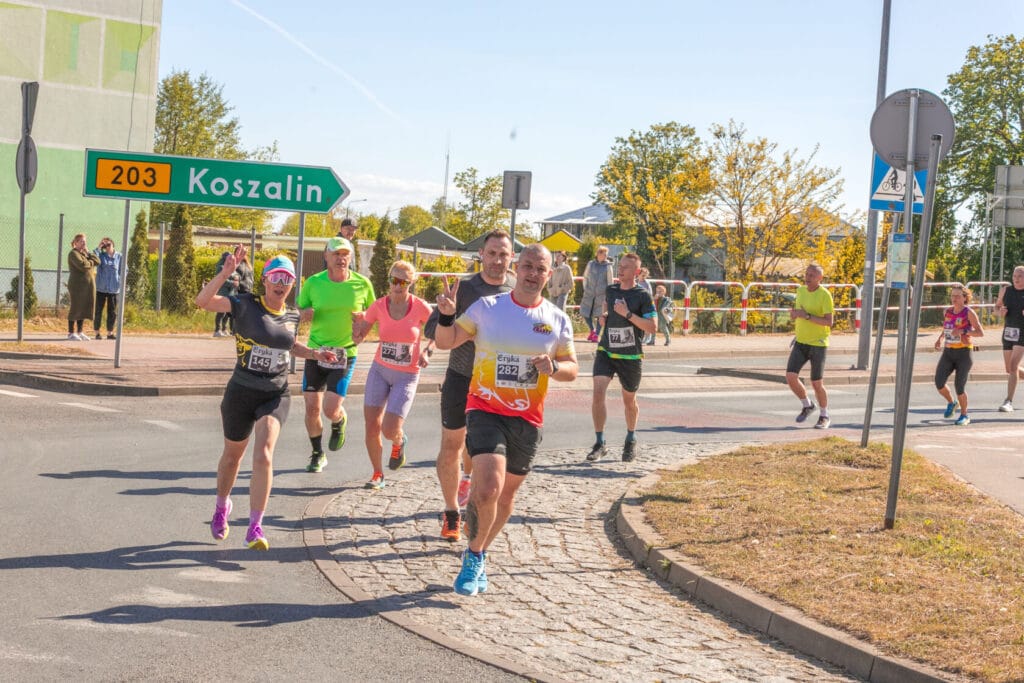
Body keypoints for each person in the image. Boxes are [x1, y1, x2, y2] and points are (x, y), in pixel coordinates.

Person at [434, 243, 578, 596]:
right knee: (486, 488)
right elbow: (446, 342)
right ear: (518, 267)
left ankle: (479, 550)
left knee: (505, 496)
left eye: (539, 269)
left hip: (528, 417)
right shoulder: (487, 308)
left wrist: (555, 367)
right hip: (484, 408)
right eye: (527, 266)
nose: (532, 273)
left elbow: (573, 369)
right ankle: (473, 556)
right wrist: (447, 315)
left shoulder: (557, 319)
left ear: (548, 274)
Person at [195, 247, 337, 550]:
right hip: (241, 390)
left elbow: (289, 345)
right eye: (275, 276)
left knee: (264, 454)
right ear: (264, 280)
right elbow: (202, 302)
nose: (281, 283)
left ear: (293, 284)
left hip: (275, 393)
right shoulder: (244, 305)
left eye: (287, 278)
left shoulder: (293, 314)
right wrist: (224, 272)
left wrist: (314, 353)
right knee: (232, 458)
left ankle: (255, 527)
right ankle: (222, 506)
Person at [424, 229, 515, 542]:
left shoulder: (518, 288)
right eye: (491, 253)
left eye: (503, 254)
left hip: (499, 383)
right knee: (452, 445)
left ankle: (472, 497)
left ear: (511, 257)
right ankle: (451, 512)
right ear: (481, 255)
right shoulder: (464, 287)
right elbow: (433, 330)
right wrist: (448, 314)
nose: (496, 260)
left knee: (483, 454)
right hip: (461, 377)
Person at [351, 260, 433, 489]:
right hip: (380, 370)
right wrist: (356, 326)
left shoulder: (420, 307)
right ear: (389, 280)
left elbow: (439, 328)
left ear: (411, 283)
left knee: (389, 429)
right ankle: (377, 474)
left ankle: (399, 440)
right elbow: (358, 337)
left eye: (403, 282)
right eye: (393, 280)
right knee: (371, 425)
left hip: (406, 376)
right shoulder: (378, 306)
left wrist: (427, 350)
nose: (397, 286)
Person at [296, 236, 375, 473]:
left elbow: (375, 314)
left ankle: (339, 420)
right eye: (336, 254)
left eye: (345, 255)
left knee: (330, 409)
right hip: (316, 351)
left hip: (344, 352)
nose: (341, 259)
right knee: (311, 407)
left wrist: (363, 322)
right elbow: (299, 309)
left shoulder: (362, 284)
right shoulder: (313, 283)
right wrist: (305, 313)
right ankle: (317, 453)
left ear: (350, 258)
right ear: (326, 256)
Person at [585, 253, 656, 463]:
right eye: (620, 266)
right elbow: (607, 311)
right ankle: (600, 443)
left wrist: (627, 314)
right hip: (606, 351)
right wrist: (604, 317)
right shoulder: (611, 290)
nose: (620, 270)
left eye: (626, 267)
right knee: (598, 393)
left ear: (636, 272)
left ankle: (631, 438)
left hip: (630, 356)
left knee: (629, 400)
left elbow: (652, 327)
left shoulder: (642, 295)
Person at [786, 264, 834, 429]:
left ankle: (824, 415)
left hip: (818, 344)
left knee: (816, 383)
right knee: (791, 377)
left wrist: (806, 316)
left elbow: (829, 322)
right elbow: (797, 312)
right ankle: (807, 405)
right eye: (807, 274)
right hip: (800, 341)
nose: (808, 277)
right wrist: (794, 315)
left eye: (812, 275)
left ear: (820, 278)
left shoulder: (825, 295)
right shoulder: (800, 291)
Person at [934, 285, 984, 426]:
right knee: (939, 382)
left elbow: (980, 333)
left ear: (964, 298)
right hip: (948, 352)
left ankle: (964, 415)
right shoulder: (947, 311)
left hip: (964, 353)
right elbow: (947, 328)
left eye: (958, 296)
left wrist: (963, 332)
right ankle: (952, 402)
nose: (954, 299)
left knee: (959, 386)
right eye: (952, 296)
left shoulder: (969, 312)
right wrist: (940, 338)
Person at [995, 265, 1024, 412]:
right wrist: (1000, 312)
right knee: (1010, 369)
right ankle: (1009, 399)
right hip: (1008, 332)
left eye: (1020, 276)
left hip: (1023, 332)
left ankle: (1008, 401)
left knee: (1013, 366)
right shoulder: (1005, 290)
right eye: (1014, 276)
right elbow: (996, 307)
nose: (1016, 279)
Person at [66, 233, 99, 341]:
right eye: (81, 241)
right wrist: (90, 262)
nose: (83, 243)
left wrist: (88, 253)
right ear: (75, 243)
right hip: (77, 286)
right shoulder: (73, 254)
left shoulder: (85, 254)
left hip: (87, 286)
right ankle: (71, 333)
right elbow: (83, 266)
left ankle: (80, 332)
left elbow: (98, 261)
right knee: (76, 307)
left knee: (83, 308)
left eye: (84, 241)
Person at [579, 246, 614, 342]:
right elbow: (585, 277)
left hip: (602, 294)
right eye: (604, 254)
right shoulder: (591, 264)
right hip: (589, 293)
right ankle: (592, 330)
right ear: (598, 254)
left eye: (606, 254)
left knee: (600, 314)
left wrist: (608, 294)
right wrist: (585, 288)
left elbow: (610, 282)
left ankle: (596, 334)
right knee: (584, 312)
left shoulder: (608, 266)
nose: (605, 256)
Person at [92, 237, 122, 340]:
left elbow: (124, 270)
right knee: (98, 310)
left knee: (112, 311)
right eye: (105, 246)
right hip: (101, 288)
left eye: (108, 245)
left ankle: (110, 333)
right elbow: (93, 258)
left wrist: (119, 281)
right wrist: (99, 247)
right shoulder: (101, 255)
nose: (107, 247)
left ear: (113, 245)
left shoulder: (119, 257)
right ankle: (97, 332)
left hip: (114, 288)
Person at [213, 251, 240, 337]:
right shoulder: (221, 267)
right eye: (229, 258)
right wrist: (233, 282)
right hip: (223, 292)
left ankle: (224, 329)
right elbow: (222, 279)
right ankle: (217, 330)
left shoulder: (230, 267)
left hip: (231, 292)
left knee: (228, 312)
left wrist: (236, 278)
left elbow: (236, 275)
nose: (231, 260)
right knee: (221, 312)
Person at [637, 267, 654, 345]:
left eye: (645, 275)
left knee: (647, 321)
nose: (644, 277)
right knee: (640, 322)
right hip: (638, 304)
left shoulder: (646, 283)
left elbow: (650, 293)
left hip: (646, 304)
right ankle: (641, 337)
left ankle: (648, 337)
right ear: (638, 274)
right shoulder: (636, 283)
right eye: (643, 275)